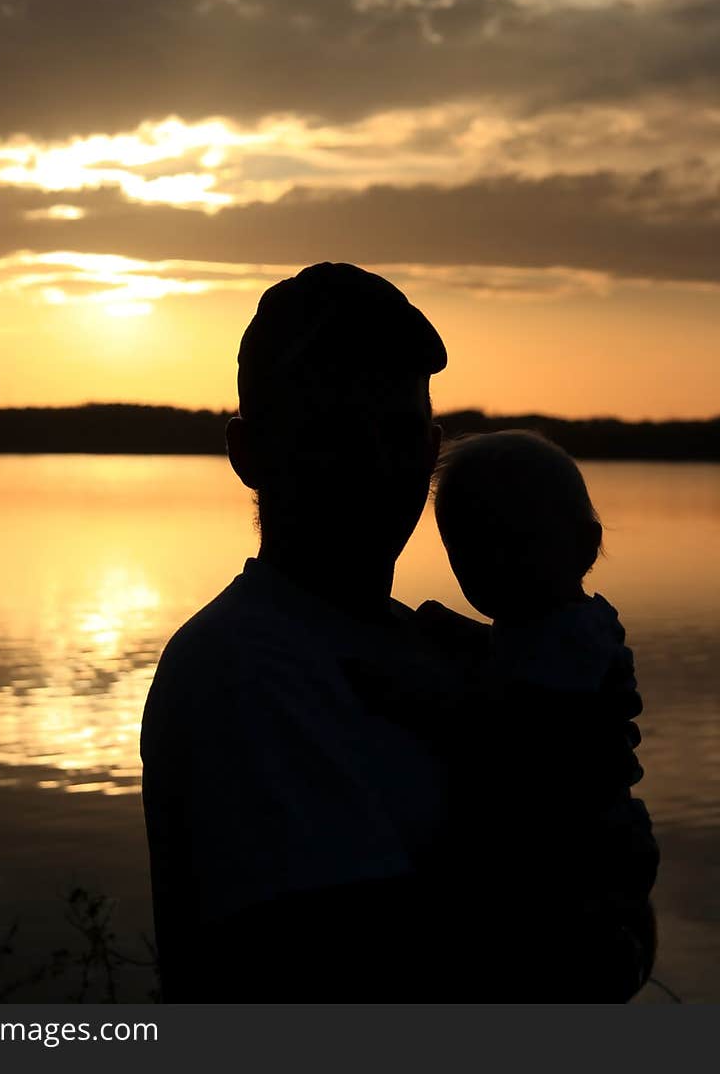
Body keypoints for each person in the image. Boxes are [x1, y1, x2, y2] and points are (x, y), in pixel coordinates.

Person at [140, 265, 654, 1001]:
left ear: (431, 449)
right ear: (247, 453)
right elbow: (366, 979)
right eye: (332, 433)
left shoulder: (439, 652)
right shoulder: (242, 667)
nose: (377, 464)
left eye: (401, 432)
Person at [353, 430, 658, 999]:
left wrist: (403, 693)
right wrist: (454, 633)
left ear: (584, 548)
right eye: (468, 549)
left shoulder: (574, 639)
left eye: (515, 543)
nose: (494, 565)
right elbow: (507, 658)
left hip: (582, 857)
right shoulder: (543, 622)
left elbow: (510, 717)